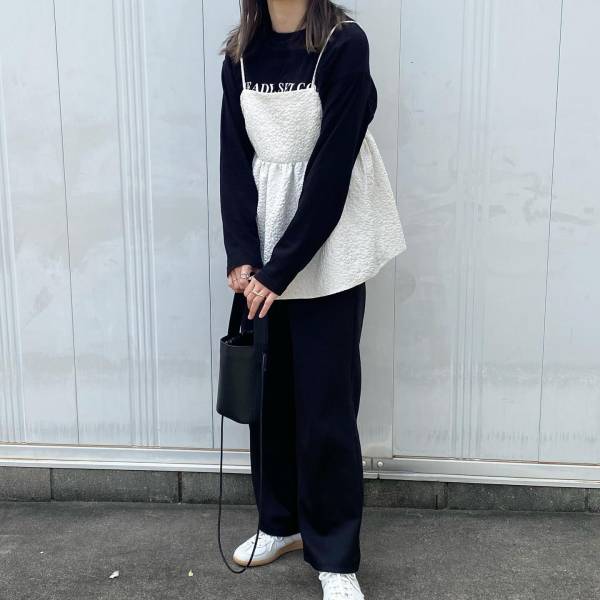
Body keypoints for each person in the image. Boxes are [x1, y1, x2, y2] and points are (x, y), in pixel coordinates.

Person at [219, 0, 406, 598]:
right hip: (264, 248)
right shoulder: (240, 55)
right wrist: (243, 254)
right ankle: (279, 522)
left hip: (330, 248)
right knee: (268, 398)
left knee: (326, 405)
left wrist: (281, 270)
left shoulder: (344, 44)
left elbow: (331, 172)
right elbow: (234, 158)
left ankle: (335, 555)